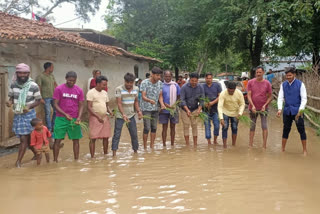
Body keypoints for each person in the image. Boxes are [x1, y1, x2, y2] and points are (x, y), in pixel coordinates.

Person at [6, 63, 42, 167]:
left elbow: (38, 100)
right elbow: (12, 97)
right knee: (25, 139)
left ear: (28, 73)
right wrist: (10, 102)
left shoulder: (33, 86)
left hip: (29, 116)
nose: (22, 75)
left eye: (24, 73)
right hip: (18, 115)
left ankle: (18, 162)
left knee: (25, 139)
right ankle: (37, 154)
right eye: (20, 73)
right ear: (16, 73)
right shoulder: (13, 84)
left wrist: (29, 107)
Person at [53, 71, 84, 162]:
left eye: (73, 81)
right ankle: (55, 160)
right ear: (66, 78)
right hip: (60, 118)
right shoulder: (59, 89)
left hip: (74, 118)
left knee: (76, 140)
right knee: (57, 139)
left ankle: (76, 160)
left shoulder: (79, 90)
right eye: (70, 80)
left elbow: (81, 105)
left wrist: (79, 117)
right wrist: (65, 114)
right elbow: (55, 104)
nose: (71, 82)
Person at [277, 68, 307, 155]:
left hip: (297, 111)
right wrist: (279, 109)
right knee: (286, 129)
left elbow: (304, 99)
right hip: (287, 111)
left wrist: (300, 110)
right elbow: (280, 98)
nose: (288, 77)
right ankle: (282, 149)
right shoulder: (283, 85)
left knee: (301, 130)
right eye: (287, 76)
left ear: (294, 75)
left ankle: (304, 150)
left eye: (290, 75)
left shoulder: (300, 84)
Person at [112, 73, 143, 156]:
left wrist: (139, 111)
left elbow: (136, 101)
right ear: (124, 81)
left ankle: (135, 151)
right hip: (120, 116)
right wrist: (123, 114)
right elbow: (119, 103)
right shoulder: (119, 89)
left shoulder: (136, 89)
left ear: (133, 82)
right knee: (117, 134)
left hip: (131, 115)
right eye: (127, 82)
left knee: (134, 134)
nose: (129, 84)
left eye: (131, 82)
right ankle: (114, 153)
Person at [87, 75, 113, 158]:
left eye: (106, 84)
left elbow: (107, 105)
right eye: (103, 85)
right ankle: (92, 157)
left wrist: (110, 112)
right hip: (95, 117)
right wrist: (97, 116)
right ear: (97, 84)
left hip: (104, 117)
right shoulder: (91, 92)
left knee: (106, 137)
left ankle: (105, 154)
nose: (105, 86)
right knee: (93, 138)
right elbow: (89, 107)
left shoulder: (105, 93)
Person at [140, 67, 165, 149]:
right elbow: (143, 96)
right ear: (152, 74)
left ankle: (152, 145)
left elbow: (160, 96)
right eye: (157, 75)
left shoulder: (160, 83)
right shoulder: (144, 82)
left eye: (160, 76)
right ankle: (144, 147)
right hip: (146, 108)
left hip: (155, 108)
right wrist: (149, 100)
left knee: (154, 127)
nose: (159, 77)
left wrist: (162, 104)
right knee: (147, 127)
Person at [247, 66, 272, 148]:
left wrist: (265, 105)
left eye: (260, 72)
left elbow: (270, 97)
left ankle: (264, 145)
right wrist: (253, 105)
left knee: (264, 126)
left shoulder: (267, 83)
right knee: (252, 126)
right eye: (257, 72)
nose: (258, 74)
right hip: (253, 108)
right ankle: (250, 145)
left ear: (263, 73)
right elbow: (249, 95)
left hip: (263, 109)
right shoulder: (250, 82)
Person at [218, 81, 245, 148]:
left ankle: (233, 144)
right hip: (225, 112)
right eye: (229, 91)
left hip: (235, 113)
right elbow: (220, 106)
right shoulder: (223, 93)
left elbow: (242, 104)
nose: (230, 93)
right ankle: (224, 145)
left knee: (234, 128)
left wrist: (240, 113)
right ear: (227, 89)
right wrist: (221, 118)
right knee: (225, 127)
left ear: (235, 89)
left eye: (232, 91)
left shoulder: (239, 93)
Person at [180, 72, 204, 146]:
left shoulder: (200, 87)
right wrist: (187, 110)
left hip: (195, 108)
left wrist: (199, 110)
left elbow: (202, 100)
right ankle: (187, 144)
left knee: (194, 125)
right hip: (184, 108)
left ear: (198, 80)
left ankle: (195, 144)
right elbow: (182, 100)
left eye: (195, 81)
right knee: (186, 125)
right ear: (189, 79)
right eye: (192, 81)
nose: (194, 82)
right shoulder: (184, 87)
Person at [159, 70, 181, 147]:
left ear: (171, 77)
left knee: (173, 127)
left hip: (174, 110)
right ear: (163, 76)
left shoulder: (176, 85)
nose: (167, 78)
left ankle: (172, 144)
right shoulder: (161, 85)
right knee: (164, 127)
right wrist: (164, 104)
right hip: (163, 110)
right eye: (166, 76)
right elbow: (159, 97)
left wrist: (174, 105)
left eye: (169, 76)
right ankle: (164, 144)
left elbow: (179, 97)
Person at [36, 62, 57, 132]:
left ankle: (53, 126)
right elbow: (38, 87)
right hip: (46, 98)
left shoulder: (52, 76)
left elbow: (55, 84)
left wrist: (59, 94)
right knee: (48, 113)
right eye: (52, 67)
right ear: (48, 68)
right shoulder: (40, 76)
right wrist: (40, 98)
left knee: (56, 111)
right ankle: (49, 128)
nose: (53, 69)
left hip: (53, 97)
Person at [202, 73, 222, 145]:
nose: (209, 80)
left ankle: (215, 140)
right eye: (207, 78)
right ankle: (209, 142)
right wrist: (205, 103)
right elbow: (200, 97)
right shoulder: (202, 87)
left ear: (212, 78)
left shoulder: (217, 85)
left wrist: (212, 103)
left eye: (210, 78)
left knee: (217, 125)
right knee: (207, 126)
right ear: (205, 78)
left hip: (215, 109)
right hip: (205, 110)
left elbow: (220, 96)